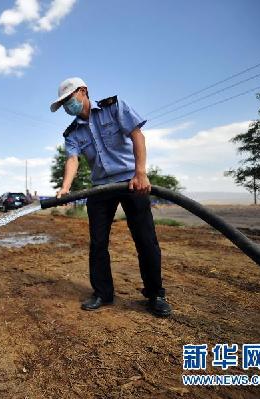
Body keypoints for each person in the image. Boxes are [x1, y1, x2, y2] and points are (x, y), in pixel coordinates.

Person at [50, 77, 171, 317]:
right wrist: (65, 187)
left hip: (131, 182)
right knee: (97, 243)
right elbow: (72, 159)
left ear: (83, 91)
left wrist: (140, 173)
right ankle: (103, 293)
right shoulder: (72, 132)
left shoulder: (114, 107)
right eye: (62, 103)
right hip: (100, 188)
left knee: (146, 240)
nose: (66, 106)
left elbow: (138, 136)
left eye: (68, 99)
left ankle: (155, 294)